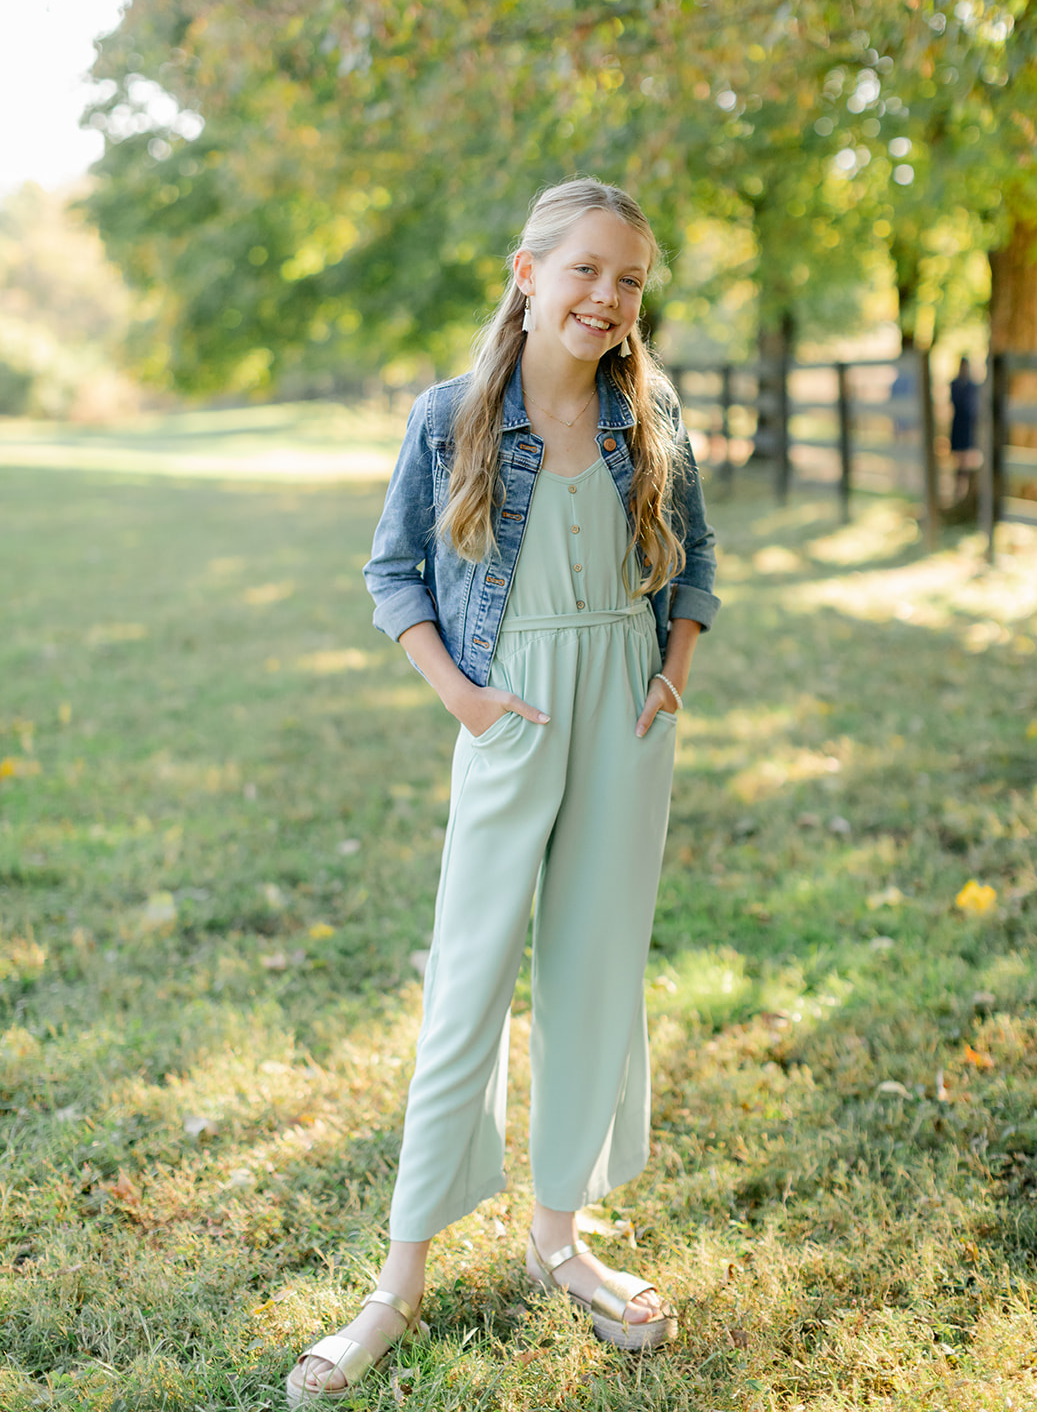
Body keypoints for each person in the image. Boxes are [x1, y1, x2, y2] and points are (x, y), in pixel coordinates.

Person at [286, 178, 720, 1405]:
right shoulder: (450, 416)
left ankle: (557, 1241)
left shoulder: (648, 411)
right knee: (468, 976)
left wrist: (670, 676)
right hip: (508, 707)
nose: (607, 296)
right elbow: (392, 572)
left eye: (628, 279)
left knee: (593, 969)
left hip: (624, 707)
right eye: (585, 268)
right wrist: (465, 700)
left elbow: (694, 562)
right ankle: (397, 1280)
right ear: (527, 273)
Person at [949, 356, 981, 502]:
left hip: (968, 425)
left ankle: (966, 489)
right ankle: (958, 488)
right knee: (958, 458)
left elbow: (974, 407)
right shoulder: (955, 384)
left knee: (968, 458)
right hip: (958, 424)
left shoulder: (973, 386)